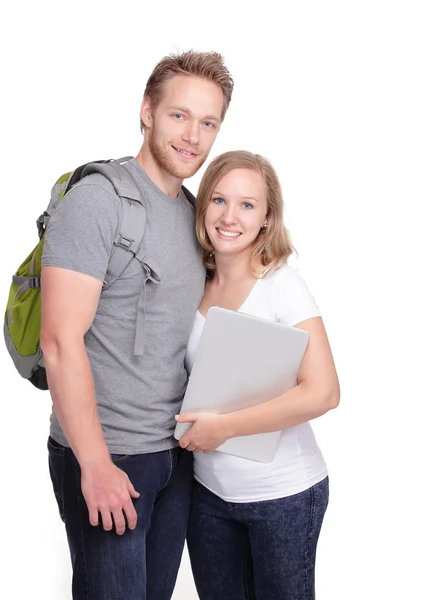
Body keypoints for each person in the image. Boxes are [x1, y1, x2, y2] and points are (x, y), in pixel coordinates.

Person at [40, 51, 234, 600]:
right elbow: (58, 340)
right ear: (147, 111)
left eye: (209, 122)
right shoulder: (98, 201)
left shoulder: (194, 214)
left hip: (171, 456)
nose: (193, 135)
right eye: (179, 115)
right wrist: (95, 464)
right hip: (109, 454)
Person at [175, 150, 340, 600]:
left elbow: (324, 392)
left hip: (283, 496)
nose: (230, 217)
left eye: (248, 205)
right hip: (208, 495)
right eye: (219, 200)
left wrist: (223, 428)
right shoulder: (193, 282)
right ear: (203, 204)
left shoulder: (281, 284)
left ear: (267, 218)